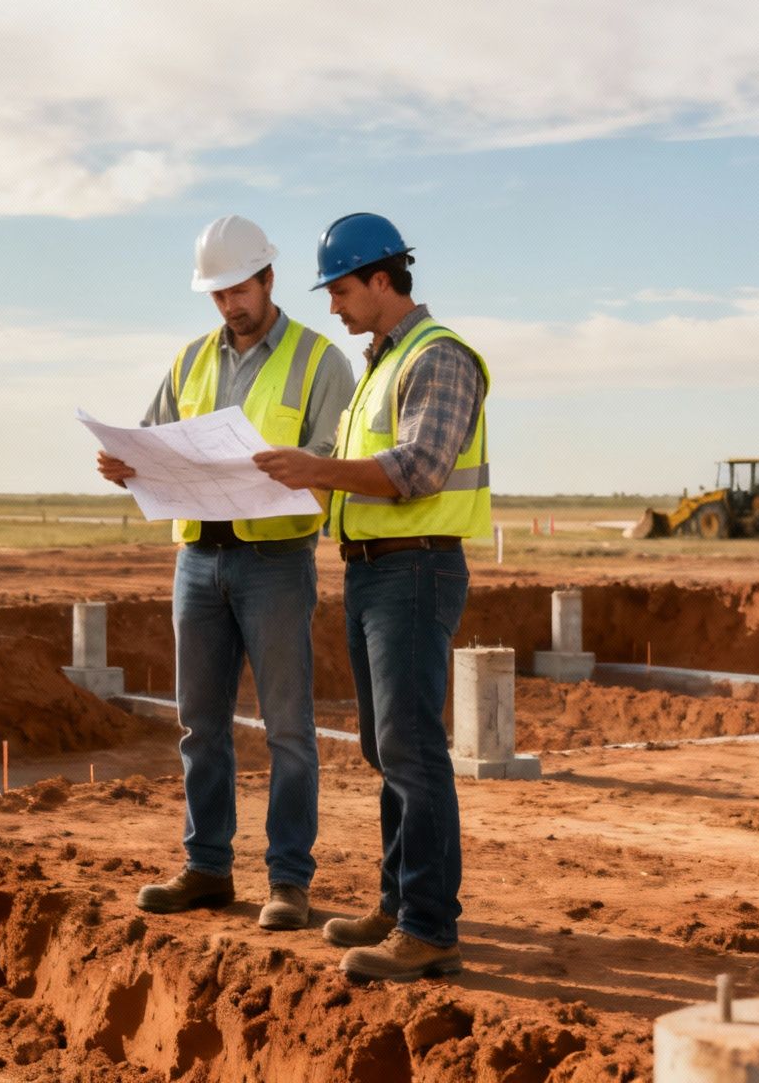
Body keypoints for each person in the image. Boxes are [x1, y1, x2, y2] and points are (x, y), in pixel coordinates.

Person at [95, 214, 355, 931]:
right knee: (199, 725)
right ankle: (207, 867)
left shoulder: (319, 360)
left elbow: (335, 458)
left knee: (288, 730)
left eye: (238, 290)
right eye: (216, 295)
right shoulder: (189, 362)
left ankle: (288, 880)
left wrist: (298, 469)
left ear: (269, 278)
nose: (229, 306)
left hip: (275, 561)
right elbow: (153, 445)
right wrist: (126, 467)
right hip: (198, 558)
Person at [253, 212, 489, 981]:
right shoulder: (382, 366)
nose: (334, 307)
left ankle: (429, 928)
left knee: (414, 752)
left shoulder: (437, 357)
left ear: (383, 280)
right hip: (370, 570)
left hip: (415, 570)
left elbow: (418, 468)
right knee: (387, 749)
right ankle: (398, 904)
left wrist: (314, 471)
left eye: (343, 289)